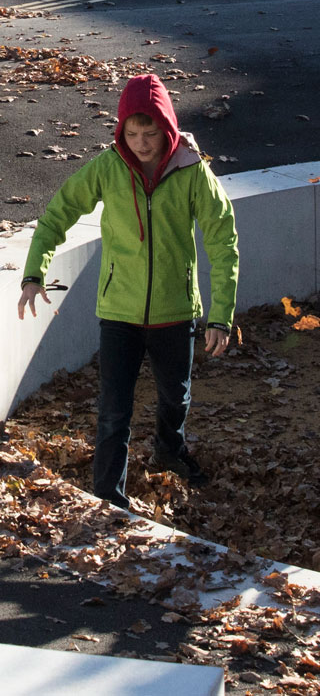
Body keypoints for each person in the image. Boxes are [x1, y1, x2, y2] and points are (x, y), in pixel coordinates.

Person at [17, 74, 238, 509]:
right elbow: (58, 212)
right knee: (113, 409)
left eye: (149, 132)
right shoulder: (108, 167)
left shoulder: (193, 171)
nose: (140, 142)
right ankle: (108, 499)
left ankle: (169, 450)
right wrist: (34, 272)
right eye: (131, 133)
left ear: (167, 127)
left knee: (177, 395)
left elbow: (222, 239)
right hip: (119, 312)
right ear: (121, 132)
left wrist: (220, 315)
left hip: (174, 312)